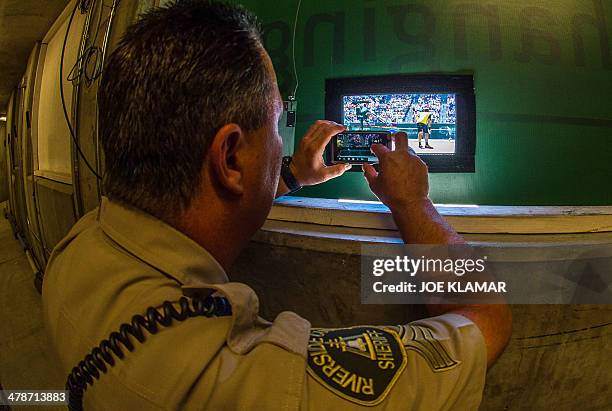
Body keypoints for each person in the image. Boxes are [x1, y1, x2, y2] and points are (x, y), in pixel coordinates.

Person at [42, 1, 512, 410]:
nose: (279, 142)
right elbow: (485, 318)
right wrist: (413, 202)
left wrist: (289, 177)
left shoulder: (79, 244)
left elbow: (206, 199)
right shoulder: (262, 386)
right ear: (229, 157)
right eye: (275, 124)